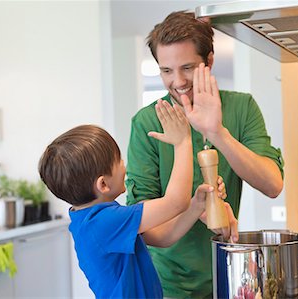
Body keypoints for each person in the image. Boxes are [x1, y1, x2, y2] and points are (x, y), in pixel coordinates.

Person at [125, 11, 284, 298]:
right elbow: (144, 226)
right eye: (166, 71)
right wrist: (197, 207)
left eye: (187, 67)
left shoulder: (241, 108)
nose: (178, 81)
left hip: (231, 274)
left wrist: (217, 132)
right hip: (167, 285)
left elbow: (272, 184)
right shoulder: (147, 123)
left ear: (209, 61)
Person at [38, 100, 230, 298]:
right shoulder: (104, 222)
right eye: (118, 161)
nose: (124, 164)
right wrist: (182, 143)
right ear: (103, 184)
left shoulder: (96, 219)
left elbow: (163, 237)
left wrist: (196, 206)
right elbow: (175, 202)